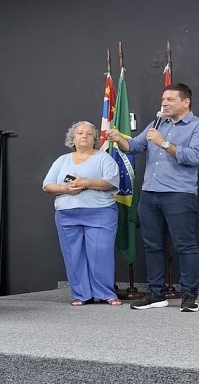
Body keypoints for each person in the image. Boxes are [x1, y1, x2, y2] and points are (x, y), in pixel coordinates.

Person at [106, 83, 199, 312]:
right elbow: (133, 146)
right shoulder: (157, 123)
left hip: (179, 194)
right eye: (163, 99)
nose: (164, 103)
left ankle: (189, 296)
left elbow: (194, 157)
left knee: (184, 245)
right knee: (152, 245)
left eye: (170, 99)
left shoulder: (198, 127)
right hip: (149, 194)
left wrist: (163, 143)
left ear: (186, 102)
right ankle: (156, 294)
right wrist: (118, 138)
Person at [43, 121, 122, 306]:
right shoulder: (62, 160)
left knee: (100, 253)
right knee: (73, 255)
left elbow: (111, 182)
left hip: (100, 213)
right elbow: (47, 185)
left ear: (95, 139)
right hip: (66, 215)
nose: (84, 136)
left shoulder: (104, 158)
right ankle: (81, 294)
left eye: (89, 133)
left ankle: (106, 293)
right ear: (72, 138)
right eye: (80, 133)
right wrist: (66, 189)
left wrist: (84, 182)